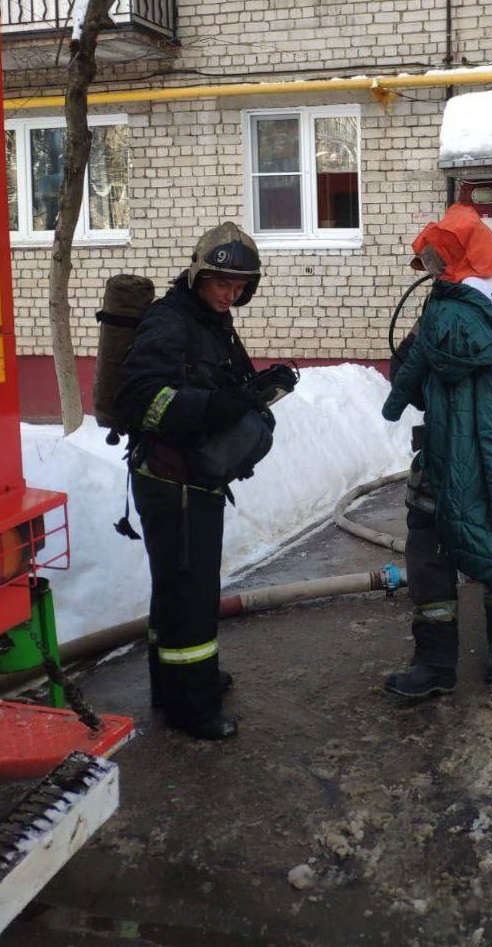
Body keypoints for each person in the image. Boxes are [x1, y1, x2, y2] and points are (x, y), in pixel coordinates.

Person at [116, 222, 278, 740]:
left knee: (178, 590)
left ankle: (175, 682)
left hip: (194, 478)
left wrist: (259, 390)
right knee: (190, 591)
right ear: (199, 275)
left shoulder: (210, 320)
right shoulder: (170, 322)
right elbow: (140, 400)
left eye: (240, 286)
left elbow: (220, 383)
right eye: (221, 283)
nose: (230, 294)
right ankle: (193, 705)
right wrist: (213, 407)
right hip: (171, 481)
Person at [382, 203, 492, 700]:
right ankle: (445, 661)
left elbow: (415, 377)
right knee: (438, 550)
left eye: (433, 261)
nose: (427, 271)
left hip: (482, 452)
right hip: (458, 454)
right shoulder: (476, 309)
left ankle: (487, 652)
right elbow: (417, 375)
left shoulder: (477, 312)